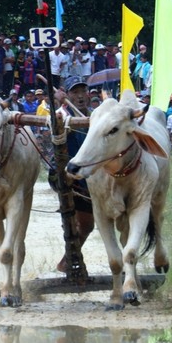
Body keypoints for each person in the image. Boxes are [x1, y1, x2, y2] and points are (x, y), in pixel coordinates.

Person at [52, 77, 94, 273]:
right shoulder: (61, 115)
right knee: (84, 224)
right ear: (67, 95)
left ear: (88, 94)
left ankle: (67, 261)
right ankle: (68, 260)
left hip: (93, 176)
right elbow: (55, 133)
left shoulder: (96, 115)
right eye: (74, 92)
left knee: (86, 225)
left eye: (82, 92)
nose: (79, 96)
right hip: (69, 176)